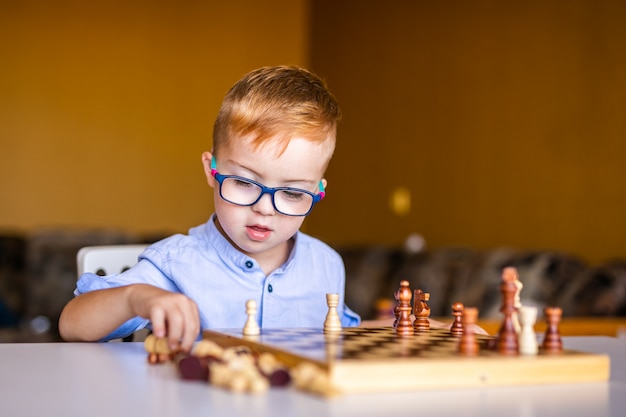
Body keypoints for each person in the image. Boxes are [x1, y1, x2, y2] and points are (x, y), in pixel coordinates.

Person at [58, 66, 361, 352]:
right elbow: (71, 325)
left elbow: (342, 343)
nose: (264, 208)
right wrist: (134, 298)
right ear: (210, 170)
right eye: (244, 182)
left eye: (293, 192)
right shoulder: (176, 263)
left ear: (318, 191)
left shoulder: (326, 265)